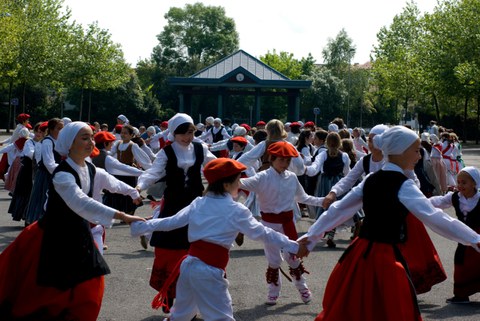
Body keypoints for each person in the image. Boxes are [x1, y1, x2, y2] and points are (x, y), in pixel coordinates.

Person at [298, 126, 480, 321]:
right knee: (389, 310)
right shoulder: (403, 184)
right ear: (401, 152)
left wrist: (310, 237)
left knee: (355, 309)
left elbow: (338, 210)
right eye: (416, 150)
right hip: (385, 259)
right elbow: (436, 218)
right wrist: (474, 239)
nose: (419, 156)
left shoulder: (371, 179)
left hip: (359, 254)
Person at [0, 122, 145, 321]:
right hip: (51, 238)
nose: (90, 142)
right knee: (44, 297)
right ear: (69, 143)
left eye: (91, 137)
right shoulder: (62, 175)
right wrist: (122, 215)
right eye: (84, 138)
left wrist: (133, 191)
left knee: (89, 291)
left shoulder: (91, 169)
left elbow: (113, 182)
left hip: (79, 236)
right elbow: (80, 201)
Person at [130, 158, 305, 321]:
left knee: (181, 315)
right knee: (220, 317)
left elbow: (171, 222)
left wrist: (142, 225)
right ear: (227, 184)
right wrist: (294, 246)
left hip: (188, 266)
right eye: (238, 179)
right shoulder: (236, 210)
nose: (241, 183)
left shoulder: (199, 202)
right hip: (208, 270)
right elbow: (264, 233)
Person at [135, 113, 216, 312]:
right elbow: (153, 173)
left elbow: (214, 166)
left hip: (197, 204)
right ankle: (170, 299)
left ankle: (193, 302)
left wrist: (233, 175)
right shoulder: (167, 152)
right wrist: (139, 187)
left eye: (190, 132)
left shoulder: (200, 148)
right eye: (182, 133)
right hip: (173, 205)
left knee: (197, 252)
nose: (186, 137)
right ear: (173, 132)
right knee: (170, 252)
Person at [239, 141, 325, 306]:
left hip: (287, 223)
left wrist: (323, 202)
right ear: (272, 158)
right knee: (273, 260)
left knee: (293, 257)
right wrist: (229, 173)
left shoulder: (292, 177)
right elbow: (243, 183)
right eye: (281, 160)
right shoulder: (262, 177)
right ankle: (273, 291)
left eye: (288, 161)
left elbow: (303, 198)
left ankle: (303, 288)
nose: (285, 164)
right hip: (269, 224)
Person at [429, 166, 480, 304]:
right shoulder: (454, 197)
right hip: (463, 237)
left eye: (464, 182)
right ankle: (461, 294)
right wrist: (420, 202)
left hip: (479, 237)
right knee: (460, 263)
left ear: (475, 183)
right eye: (459, 182)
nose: (460, 185)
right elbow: (437, 202)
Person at [25, 118, 64, 224]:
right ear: (51, 129)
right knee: (42, 201)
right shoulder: (47, 141)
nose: (61, 131)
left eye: (62, 128)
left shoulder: (58, 141)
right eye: (58, 128)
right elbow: (48, 163)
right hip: (46, 175)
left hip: (54, 174)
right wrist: (63, 170)